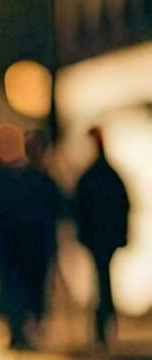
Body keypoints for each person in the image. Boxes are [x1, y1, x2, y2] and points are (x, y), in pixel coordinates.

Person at [0, 126, 63, 349]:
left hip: (32, 245)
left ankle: (24, 325)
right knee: (22, 287)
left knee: (29, 288)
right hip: (21, 245)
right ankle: (19, 326)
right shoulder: (21, 179)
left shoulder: (32, 180)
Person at [73, 126, 131, 346]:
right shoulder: (108, 175)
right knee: (103, 279)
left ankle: (102, 324)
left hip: (99, 237)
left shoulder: (93, 176)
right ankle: (106, 323)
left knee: (101, 279)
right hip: (105, 236)